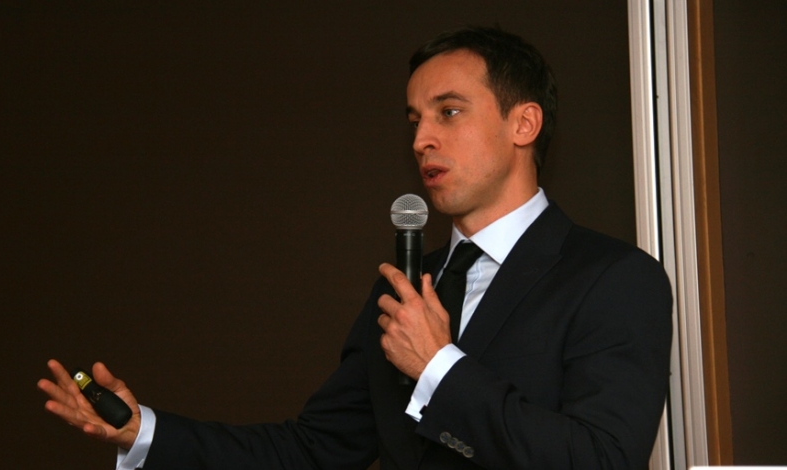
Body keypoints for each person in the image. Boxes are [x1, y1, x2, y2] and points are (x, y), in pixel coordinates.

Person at [39, 26, 673, 470]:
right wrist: (143, 431)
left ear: (523, 123)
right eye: (414, 120)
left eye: (448, 112)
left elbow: (603, 458)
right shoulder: (403, 289)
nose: (421, 139)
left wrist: (438, 367)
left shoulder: (614, 279)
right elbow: (313, 451)